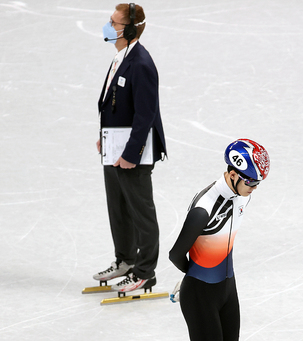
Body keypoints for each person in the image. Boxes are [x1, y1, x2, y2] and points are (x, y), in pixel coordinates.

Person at [93, 3, 167, 293]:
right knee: (118, 209)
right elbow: (114, 104)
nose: (108, 27)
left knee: (141, 213)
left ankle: (146, 271)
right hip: (115, 148)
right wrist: (105, 136)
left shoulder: (142, 64)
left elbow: (146, 114)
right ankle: (124, 260)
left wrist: (130, 154)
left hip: (133, 153)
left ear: (131, 29)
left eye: (113, 23)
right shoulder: (120, 58)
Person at [169, 139, 270, 341]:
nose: (255, 188)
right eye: (251, 182)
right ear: (233, 174)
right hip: (200, 295)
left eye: (258, 182)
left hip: (228, 289)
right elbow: (175, 254)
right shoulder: (204, 209)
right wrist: (193, 276)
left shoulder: (242, 195)